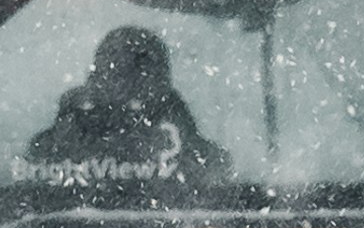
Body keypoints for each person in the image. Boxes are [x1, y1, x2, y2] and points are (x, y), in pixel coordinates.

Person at [25, 20, 220, 174]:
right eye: (119, 74)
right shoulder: (60, 140)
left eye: (144, 74)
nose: (133, 87)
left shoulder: (192, 148)